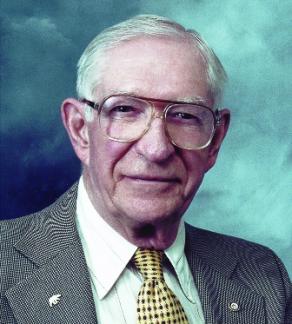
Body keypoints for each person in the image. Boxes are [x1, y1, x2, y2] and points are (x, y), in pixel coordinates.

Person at [1, 15, 291, 324]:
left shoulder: (263, 276)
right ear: (79, 130)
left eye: (184, 116)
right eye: (125, 109)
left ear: (216, 140)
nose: (157, 149)